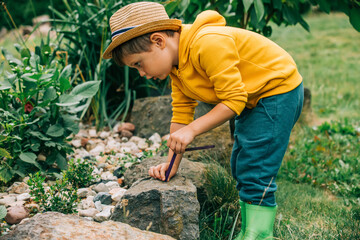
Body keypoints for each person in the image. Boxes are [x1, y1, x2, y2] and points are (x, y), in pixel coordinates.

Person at [103, 2, 304, 239]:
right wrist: (171, 165)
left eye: (138, 63)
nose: (142, 73)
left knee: (256, 165)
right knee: (242, 161)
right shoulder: (177, 68)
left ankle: (260, 234)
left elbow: (234, 99)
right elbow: (181, 114)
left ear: (158, 41)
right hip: (254, 95)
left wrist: (192, 131)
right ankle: (249, 230)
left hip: (277, 90)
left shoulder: (206, 43)